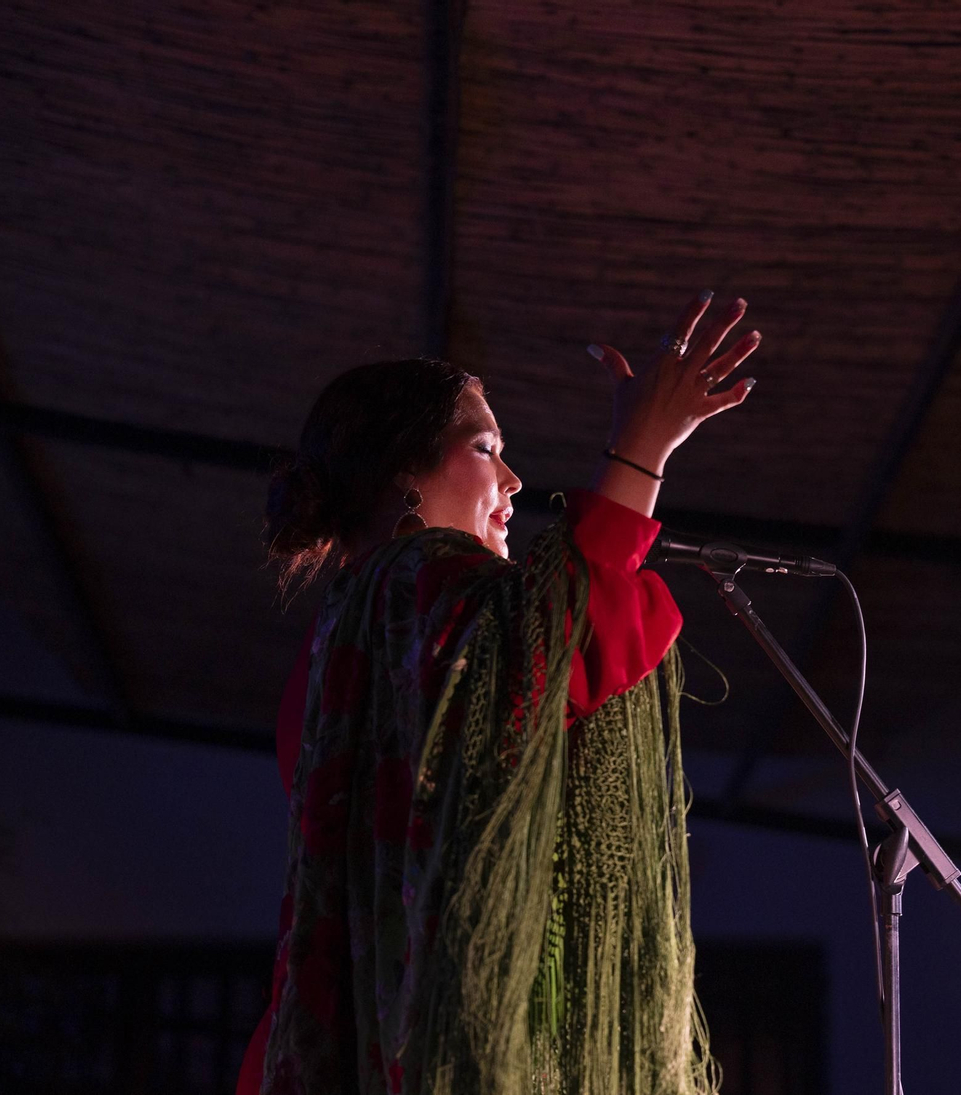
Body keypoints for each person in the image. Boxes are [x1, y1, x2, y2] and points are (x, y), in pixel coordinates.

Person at [236, 290, 761, 1095]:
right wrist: (639, 451)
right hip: (433, 1044)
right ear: (399, 476)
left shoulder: (357, 634)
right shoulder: (411, 587)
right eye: (486, 448)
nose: (515, 480)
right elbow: (553, 645)